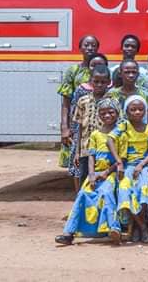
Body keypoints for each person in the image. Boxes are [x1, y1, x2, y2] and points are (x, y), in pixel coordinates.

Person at [55, 98, 125, 245]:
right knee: (83, 194)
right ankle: (69, 233)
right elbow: (91, 156)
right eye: (103, 113)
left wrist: (106, 172)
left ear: (117, 113)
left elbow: (122, 159)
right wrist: (91, 174)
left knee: (106, 192)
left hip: (111, 173)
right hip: (96, 173)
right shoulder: (95, 135)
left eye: (111, 112)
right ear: (98, 115)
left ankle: (113, 228)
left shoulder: (121, 134)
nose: (107, 115)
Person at [108, 95, 148, 244]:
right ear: (127, 112)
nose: (137, 112)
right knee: (124, 191)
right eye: (133, 109)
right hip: (127, 167)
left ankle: (137, 226)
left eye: (140, 109)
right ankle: (142, 227)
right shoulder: (124, 126)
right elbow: (110, 140)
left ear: (145, 111)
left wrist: (142, 165)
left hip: (143, 167)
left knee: (143, 191)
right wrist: (118, 161)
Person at [71, 65, 112, 192]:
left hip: (103, 150)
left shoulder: (112, 101)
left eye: (103, 82)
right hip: (85, 150)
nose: (99, 85)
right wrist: (77, 152)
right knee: (85, 181)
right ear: (90, 81)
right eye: (96, 81)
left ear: (108, 82)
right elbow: (79, 128)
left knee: (103, 182)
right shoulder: (82, 101)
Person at [58, 35, 100, 152]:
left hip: (96, 123)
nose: (90, 48)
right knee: (73, 154)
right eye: (86, 45)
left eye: (93, 45)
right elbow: (66, 103)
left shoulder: (102, 71)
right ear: (80, 48)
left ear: (97, 48)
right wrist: (64, 127)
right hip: (76, 122)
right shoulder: (73, 71)